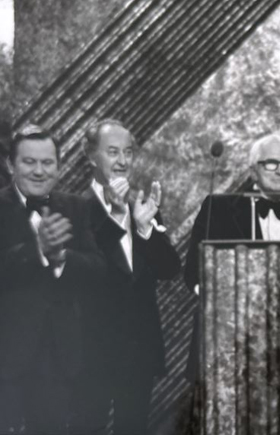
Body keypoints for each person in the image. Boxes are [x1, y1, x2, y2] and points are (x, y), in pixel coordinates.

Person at [72, 119, 181, 435]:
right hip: (90, 352)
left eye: (128, 152)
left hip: (138, 351)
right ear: (91, 156)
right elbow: (87, 277)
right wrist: (118, 218)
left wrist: (145, 230)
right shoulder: (74, 210)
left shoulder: (142, 206)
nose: (122, 161)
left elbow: (169, 269)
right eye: (113, 152)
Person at [0, 125, 104, 435]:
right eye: (29, 162)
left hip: (59, 360)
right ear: (10, 165)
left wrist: (61, 257)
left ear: (59, 167)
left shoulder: (76, 207)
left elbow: (98, 270)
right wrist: (37, 251)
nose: (39, 171)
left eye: (47, 162)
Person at [185, 134, 280, 292]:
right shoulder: (218, 209)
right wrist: (213, 296)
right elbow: (194, 271)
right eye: (271, 163)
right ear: (254, 171)